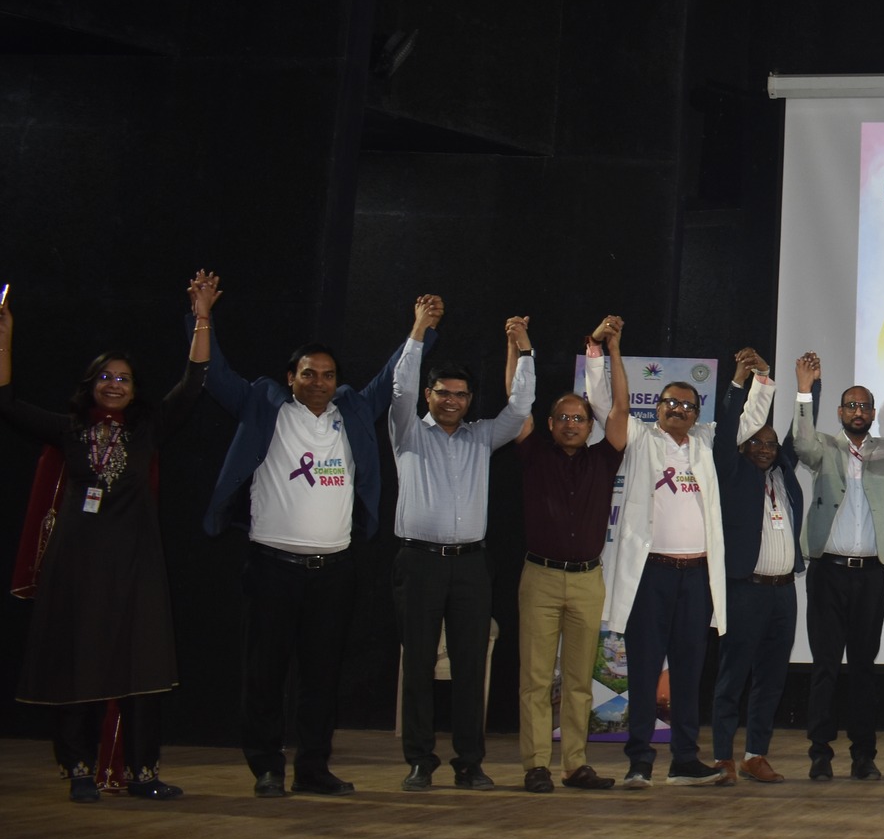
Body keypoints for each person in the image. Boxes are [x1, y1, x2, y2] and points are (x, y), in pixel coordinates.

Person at [198, 276, 428, 799]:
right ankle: (266, 767)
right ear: (291, 377)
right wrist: (202, 315)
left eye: (327, 375)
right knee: (264, 674)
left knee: (322, 678)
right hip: (271, 568)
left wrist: (418, 329)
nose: (319, 382)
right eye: (309, 374)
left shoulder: (351, 413)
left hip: (333, 572)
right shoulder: (264, 407)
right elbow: (214, 375)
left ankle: (314, 767)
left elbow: (392, 375)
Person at [1, 279, 209, 802]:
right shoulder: (68, 429)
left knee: (142, 666)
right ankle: (75, 769)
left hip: (136, 566)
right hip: (77, 566)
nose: (115, 384)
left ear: (136, 389)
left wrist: (202, 315)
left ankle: (143, 774)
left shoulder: (148, 430)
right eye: (106, 377)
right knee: (78, 664)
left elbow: (193, 379)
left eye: (124, 378)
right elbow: (4, 401)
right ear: (92, 384)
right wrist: (4, 339)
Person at [587, 326, 768, 788]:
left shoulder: (706, 443)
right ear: (658, 407)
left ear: (697, 413)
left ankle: (685, 759)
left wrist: (759, 380)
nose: (679, 411)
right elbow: (608, 406)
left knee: (688, 672)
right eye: (670, 403)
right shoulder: (640, 441)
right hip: (652, 574)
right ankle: (639, 760)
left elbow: (745, 422)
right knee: (645, 670)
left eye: (688, 406)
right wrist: (605, 352)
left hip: (696, 576)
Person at [390, 298, 536, 791]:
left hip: (472, 565)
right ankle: (419, 760)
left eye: (461, 394)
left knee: (472, 666)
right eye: (442, 392)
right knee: (419, 666)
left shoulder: (481, 437)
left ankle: (470, 762)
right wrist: (417, 332)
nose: (452, 400)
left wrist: (525, 351)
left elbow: (520, 409)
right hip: (419, 561)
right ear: (428, 395)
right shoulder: (407, 430)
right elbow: (400, 386)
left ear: (471, 399)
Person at [791, 353, 884, 781]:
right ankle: (820, 753)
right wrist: (803, 389)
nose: (858, 412)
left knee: (865, 668)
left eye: (865, 406)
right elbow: (800, 443)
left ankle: (863, 755)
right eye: (851, 405)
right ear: (840, 412)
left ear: (872, 414)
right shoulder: (825, 448)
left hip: (870, 575)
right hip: (828, 572)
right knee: (826, 666)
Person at [507, 318, 628, 793]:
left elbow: (620, 406)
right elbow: (518, 402)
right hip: (539, 576)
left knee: (579, 680)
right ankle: (536, 764)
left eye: (580, 418)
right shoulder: (533, 454)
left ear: (589, 425)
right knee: (536, 679)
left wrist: (614, 350)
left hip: (586, 579)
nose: (572, 424)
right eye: (563, 418)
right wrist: (517, 348)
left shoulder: (605, 457)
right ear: (552, 424)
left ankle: (575, 765)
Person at [711, 346, 801, 784]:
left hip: (784, 592)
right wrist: (740, 382)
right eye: (757, 443)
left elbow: (799, 434)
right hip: (745, 588)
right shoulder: (732, 473)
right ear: (745, 447)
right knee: (734, 675)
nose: (766, 449)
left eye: (772, 444)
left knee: (771, 678)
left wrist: (806, 390)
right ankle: (722, 757)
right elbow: (727, 428)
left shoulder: (785, 477)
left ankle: (755, 754)